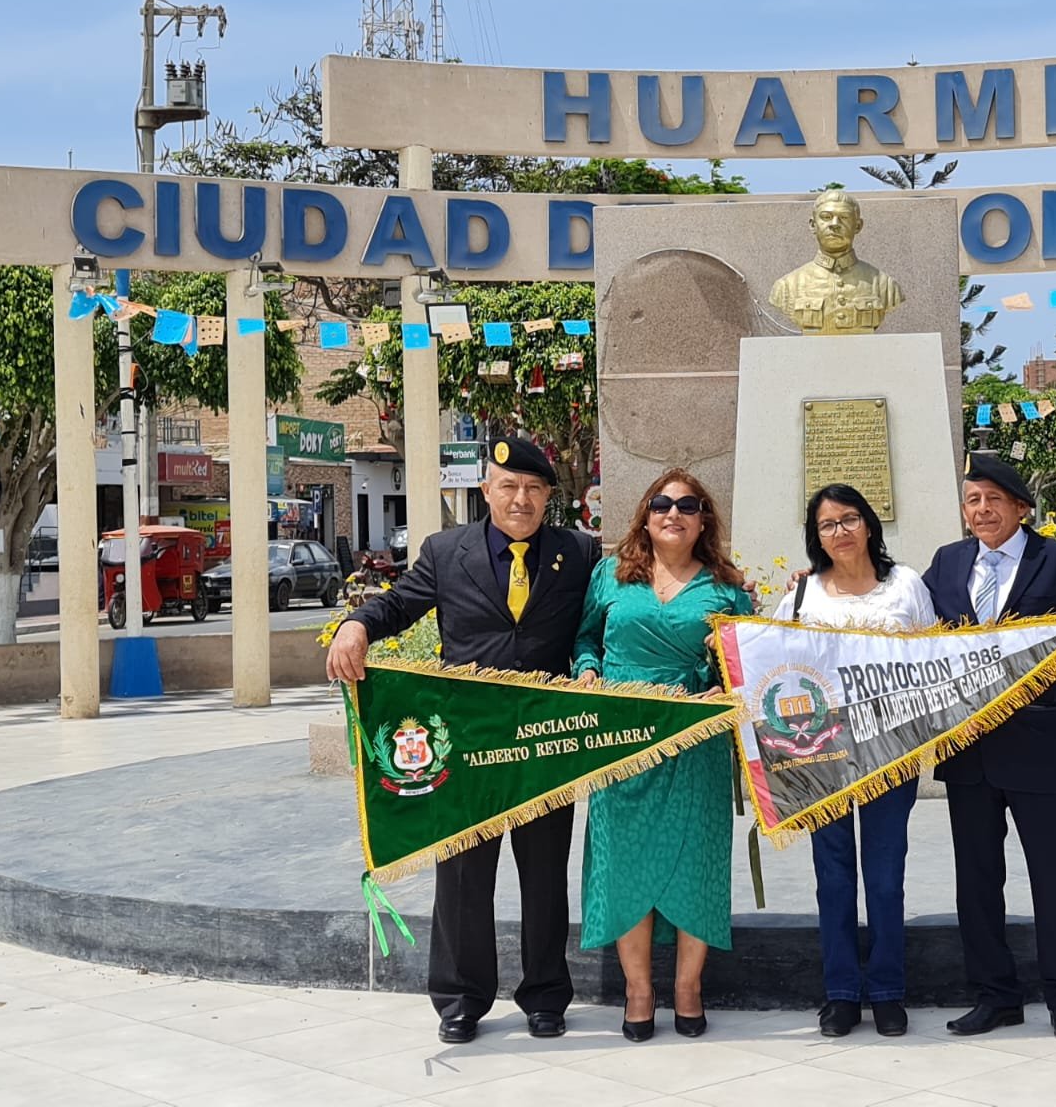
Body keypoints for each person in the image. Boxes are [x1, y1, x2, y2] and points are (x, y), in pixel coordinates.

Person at [325, 437, 598, 1045]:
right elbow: (399, 605)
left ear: (549, 495)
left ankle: (546, 995)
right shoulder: (447, 552)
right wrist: (355, 624)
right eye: (509, 486)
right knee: (464, 876)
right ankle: (461, 999)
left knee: (545, 874)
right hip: (468, 745)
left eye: (533, 489)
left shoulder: (578, 552)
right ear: (487, 491)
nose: (520, 499)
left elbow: (594, 623)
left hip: (543, 742)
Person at [922, 453, 1056, 1044]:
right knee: (977, 881)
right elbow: (909, 625)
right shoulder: (947, 564)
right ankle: (995, 996)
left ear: (1021, 508)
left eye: (993, 501)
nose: (981, 511)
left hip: (1038, 751)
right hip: (969, 754)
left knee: (1054, 879)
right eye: (972, 501)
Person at [572, 469, 752, 1043]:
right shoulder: (610, 576)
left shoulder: (727, 589)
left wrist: (717, 686)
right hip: (621, 739)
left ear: (705, 520)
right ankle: (639, 991)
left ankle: (688, 989)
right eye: (661, 503)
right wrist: (589, 670)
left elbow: (745, 664)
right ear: (645, 517)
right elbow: (584, 640)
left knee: (696, 860)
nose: (673, 513)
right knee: (623, 861)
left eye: (688, 505)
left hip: (693, 742)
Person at [773, 484, 936, 1039]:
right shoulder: (801, 596)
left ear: (868, 524)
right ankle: (841, 993)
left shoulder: (907, 585)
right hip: (823, 755)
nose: (839, 531)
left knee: (887, 877)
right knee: (834, 877)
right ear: (815, 537)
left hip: (892, 751)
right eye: (827, 525)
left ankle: (888, 991)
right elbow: (773, 662)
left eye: (848, 519)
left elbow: (930, 661)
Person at [768, 188, 904, 335]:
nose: (834, 224)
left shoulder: (885, 286)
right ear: (813, 225)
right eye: (826, 217)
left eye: (844, 217)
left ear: (858, 226)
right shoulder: (787, 286)